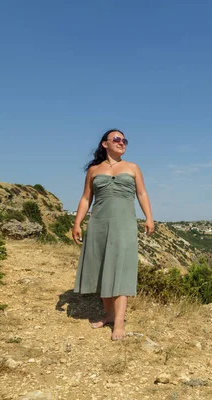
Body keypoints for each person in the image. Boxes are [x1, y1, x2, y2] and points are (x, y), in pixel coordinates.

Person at [72, 129, 154, 340]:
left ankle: (119, 323)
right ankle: (108, 314)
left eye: (124, 140)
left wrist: (149, 217)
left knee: (121, 270)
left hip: (124, 224)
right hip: (99, 223)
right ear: (104, 144)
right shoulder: (93, 170)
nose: (122, 142)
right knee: (101, 268)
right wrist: (77, 223)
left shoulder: (132, 167)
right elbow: (85, 199)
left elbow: (142, 193)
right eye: (116, 139)